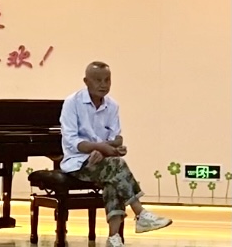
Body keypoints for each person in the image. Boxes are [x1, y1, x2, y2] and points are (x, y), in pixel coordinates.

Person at [60, 62, 172, 247]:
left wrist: (103, 148)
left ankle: (114, 238)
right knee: (117, 165)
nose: (103, 84)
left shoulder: (112, 105)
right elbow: (72, 141)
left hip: (104, 162)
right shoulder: (72, 103)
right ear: (86, 81)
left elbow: (117, 139)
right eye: (98, 80)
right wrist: (102, 148)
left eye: (107, 80)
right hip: (78, 163)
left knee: (114, 181)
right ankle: (140, 213)